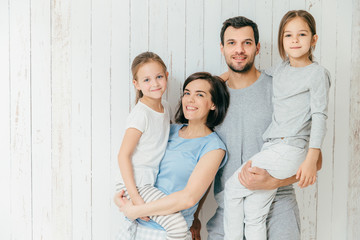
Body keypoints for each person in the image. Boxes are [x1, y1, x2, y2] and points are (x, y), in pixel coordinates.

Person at [199, 16, 323, 240]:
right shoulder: (211, 98)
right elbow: (200, 162)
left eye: (246, 42)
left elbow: (315, 160)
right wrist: (194, 216)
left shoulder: (280, 86)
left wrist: (274, 182)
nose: (239, 50)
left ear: (257, 47)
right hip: (229, 215)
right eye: (231, 43)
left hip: (278, 211)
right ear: (222, 48)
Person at [114, 72, 230, 240]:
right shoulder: (169, 130)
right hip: (133, 225)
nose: (190, 99)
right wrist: (123, 199)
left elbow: (189, 197)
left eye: (199, 95)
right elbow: (138, 164)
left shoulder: (213, 147)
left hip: (167, 232)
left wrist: (136, 210)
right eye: (187, 93)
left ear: (213, 104)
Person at [116, 51, 188, 240]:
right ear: (136, 84)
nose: (154, 84)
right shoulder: (141, 114)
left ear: (166, 76)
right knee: (178, 225)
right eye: (146, 80)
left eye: (158, 77)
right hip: (137, 183)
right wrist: (136, 198)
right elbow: (123, 156)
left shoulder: (165, 107)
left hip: (149, 180)